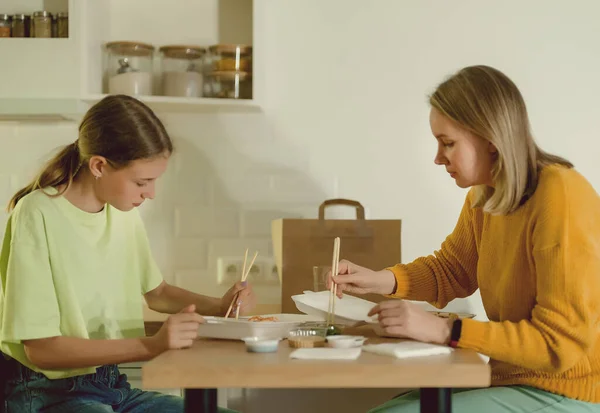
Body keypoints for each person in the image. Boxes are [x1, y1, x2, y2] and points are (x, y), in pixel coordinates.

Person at [331, 65, 600, 413]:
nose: (438, 158)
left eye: (448, 143)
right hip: (512, 380)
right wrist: (379, 280)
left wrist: (447, 331)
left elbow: (558, 346)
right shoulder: (485, 195)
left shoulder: (560, 195)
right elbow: (452, 271)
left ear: (490, 139)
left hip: (567, 392)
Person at [0, 94, 255, 412]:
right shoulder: (36, 213)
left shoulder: (122, 211)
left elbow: (157, 293)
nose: (151, 193)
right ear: (99, 165)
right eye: (141, 181)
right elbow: (41, 350)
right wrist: (150, 345)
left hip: (111, 387)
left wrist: (220, 306)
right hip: (47, 392)